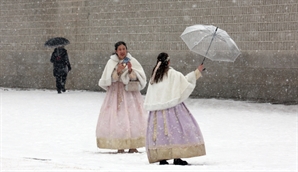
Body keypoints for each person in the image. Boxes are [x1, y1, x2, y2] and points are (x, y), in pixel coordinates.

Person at [144, 52, 206, 165]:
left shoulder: (154, 76)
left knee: (161, 134)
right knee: (175, 132)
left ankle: (162, 157)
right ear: (168, 61)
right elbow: (185, 83)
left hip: (157, 113)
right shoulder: (172, 74)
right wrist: (197, 72)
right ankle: (177, 156)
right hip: (173, 110)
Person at [96, 41, 147, 153]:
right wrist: (117, 72)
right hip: (116, 93)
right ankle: (120, 144)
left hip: (130, 93)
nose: (122, 51)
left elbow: (138, 78)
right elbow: (108, 80)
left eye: (124, 49)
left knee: (132, 116)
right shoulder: (111, 62)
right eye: (120, 49)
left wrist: (130, 71)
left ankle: (133, 145)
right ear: (116, 51)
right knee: (118, 117)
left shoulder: (132, 61)